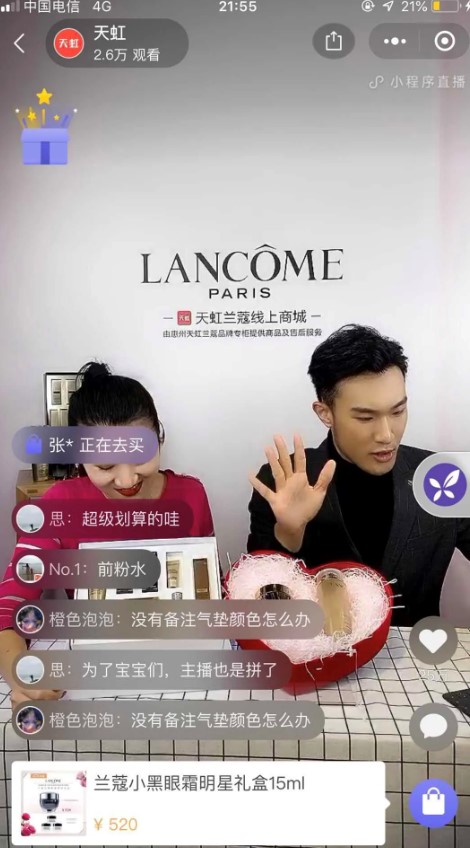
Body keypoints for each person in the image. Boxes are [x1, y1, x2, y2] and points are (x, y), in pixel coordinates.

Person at [0, 362, 215, 709]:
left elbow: (209, 587)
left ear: (159, 437)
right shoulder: (57, 506)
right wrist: (21, 672)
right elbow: (9, 608)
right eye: (104, 465)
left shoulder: (191, 495)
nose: (127, 480)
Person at [247, 324, 470, 627]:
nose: (387, 434)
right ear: (325, 413)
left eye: (398, 411)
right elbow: (264, 608)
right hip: (321, 651)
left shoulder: (442, 476)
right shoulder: (282, 482)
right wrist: (288, 533)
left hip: (420, 650)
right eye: (366, 417)